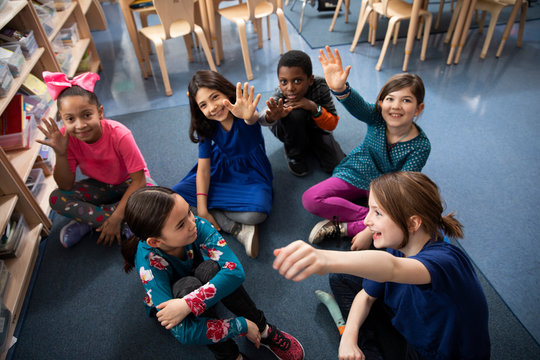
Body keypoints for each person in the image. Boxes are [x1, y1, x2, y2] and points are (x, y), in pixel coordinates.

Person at [274, 171, 491, 360]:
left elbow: (391, 267)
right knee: (342, 278)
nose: (367, 221)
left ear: (412, 223)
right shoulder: (404, 242)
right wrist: (349, 338)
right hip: (410, 322)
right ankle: (351, 334)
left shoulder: (447, 261)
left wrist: (326, 259)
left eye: (377, 213)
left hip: (435, 352)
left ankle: (358, 337)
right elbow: (366, 295)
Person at [121, 186, 305, 360]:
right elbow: (184, 333)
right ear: (155, 242)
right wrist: (239, 326)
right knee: (187, 286)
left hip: (194, 289)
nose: (192, 223)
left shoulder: (197, 224)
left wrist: (188, 304)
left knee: (211, 269)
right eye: (180, 225)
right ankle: (231, 356)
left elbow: (236, 272)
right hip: (179, 291)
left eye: (188, 211)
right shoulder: (148, 266)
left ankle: (262, 329)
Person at [302, 46, 431, 249]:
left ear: (418, 109)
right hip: (356, 172)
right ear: (380, 103)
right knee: (310, 199)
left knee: (407, 220)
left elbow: (401, 187)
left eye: (406, 100)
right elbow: (358, 105)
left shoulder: (421, 146)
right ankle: (372, 223)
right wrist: (339, 88)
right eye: (390, 99)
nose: (396, 106)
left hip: (386, 189)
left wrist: (365, 231)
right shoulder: (376, 116)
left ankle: (348, 227)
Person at [37, 71, 154, 248]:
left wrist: (115, 217)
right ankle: (122, 223)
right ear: (62, 120)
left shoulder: (119, 134)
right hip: (101, 186)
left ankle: (91, 219)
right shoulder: (65, 138)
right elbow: (65, 186)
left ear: (100, 112)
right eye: (70, 119)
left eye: (86, 115)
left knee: (153, 196)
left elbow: (139, 181)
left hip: (131, 183)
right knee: (56, 199)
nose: (80, 125)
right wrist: (60, 154)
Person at [172, 70, 273, 258]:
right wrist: (202, 209)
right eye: (203, 105)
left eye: (215, 97)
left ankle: (216, 212)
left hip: (251, 174)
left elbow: (252, 118)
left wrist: (249, 115)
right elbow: (203, 169)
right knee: (176, 196)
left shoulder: (244, 113)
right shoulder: (207, 126)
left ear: (226, 91)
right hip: (218, 170)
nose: (212, 107)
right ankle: (235, 228)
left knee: (257, 214)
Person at [259, 49, 345, 176]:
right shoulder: (280, 95)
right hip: (291, 131)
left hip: (317, 129)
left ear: (310, 80)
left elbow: (332, 124)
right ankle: (294, 153)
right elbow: (262, 117)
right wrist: (271, 117)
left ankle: (314, 142)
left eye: (297, 81)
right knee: (294, 114)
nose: (290, 88)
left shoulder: (320, 86)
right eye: (284, 82)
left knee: (337, 166)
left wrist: (313, 107)